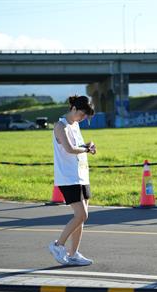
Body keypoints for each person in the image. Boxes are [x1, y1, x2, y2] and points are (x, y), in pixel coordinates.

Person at [48, 95, 96, 266]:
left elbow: (77, 147)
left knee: (81, 217)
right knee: (81, 215)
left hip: (82, 175)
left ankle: (73, 253)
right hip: (68, 177)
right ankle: (58, 245)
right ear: (74, 109)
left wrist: (87, 146)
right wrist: (86, 149)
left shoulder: (75, 125)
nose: (83, 119)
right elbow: (69, 149)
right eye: (82, 114)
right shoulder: (61, 126)